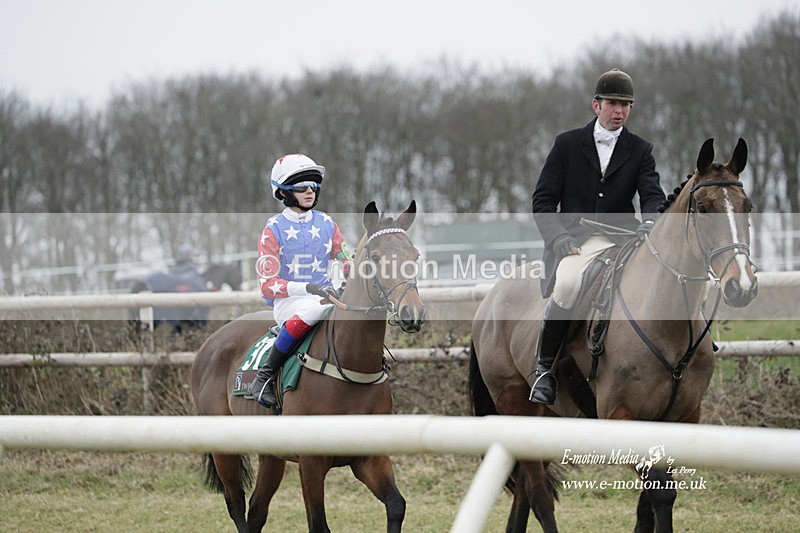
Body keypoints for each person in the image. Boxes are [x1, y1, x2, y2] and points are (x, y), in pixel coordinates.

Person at [529, 68, 666, 405]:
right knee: (567, 283)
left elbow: (652, 196)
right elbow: (543, 200)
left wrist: (652, 223)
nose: (619, 111)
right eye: (613, 103)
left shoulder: (640, 150)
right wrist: (558, 238)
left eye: (626, 105)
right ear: (596, 105)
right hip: (576, 240)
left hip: (624, 239)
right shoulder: (567, 144)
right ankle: (545, 369)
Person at [250, 153, 352, 408]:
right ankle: (264, 375)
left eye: (314, 186)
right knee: (314, 307)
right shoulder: (273, 228)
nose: (310, 191)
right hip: (289, 301)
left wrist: (354, 276)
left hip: (326, 296)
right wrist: (306, 287)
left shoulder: (327, 223)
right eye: (301, 187)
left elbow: (345, 258)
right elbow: (267, 283)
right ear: (284, 192)